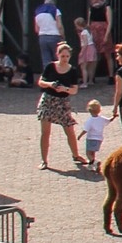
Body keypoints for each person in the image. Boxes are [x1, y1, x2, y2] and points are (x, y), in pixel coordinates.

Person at [37, 41, 87, 169]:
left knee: (69, 130)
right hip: (48, 100)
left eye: (67, 56)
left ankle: (76, 155)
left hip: (62, 102)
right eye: (62, 56)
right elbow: (41, 82)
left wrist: (64, 89)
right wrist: (51, 84)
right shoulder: (50, 67)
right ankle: (44, 160)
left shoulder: (72, 70)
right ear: (57, 55)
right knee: (45, 132)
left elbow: (74, 90)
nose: (64, 59)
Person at [85, 0, 114, 83]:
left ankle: (111, 76)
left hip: (103, 31)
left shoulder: (106, 7)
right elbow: (89, 23)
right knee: (94, 55)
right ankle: (91, 77)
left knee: (107, 54)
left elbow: (109, 22)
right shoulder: (91, 8)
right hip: (94, 32)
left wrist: (106, 35)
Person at [33, 0, 65, 68]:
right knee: (58, 58)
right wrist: (63, 36)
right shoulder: (56, 10)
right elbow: (59, 26)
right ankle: (59, 76)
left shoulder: (37, 12)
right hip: (55, 37)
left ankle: (48, 77)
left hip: (42, 37)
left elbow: (36, 29)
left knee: (46, 60)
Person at [81, 99, 109, 171]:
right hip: (99, 139)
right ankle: (92, 166)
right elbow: (108, 120)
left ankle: (95, 162)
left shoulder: (90, 120)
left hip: (91, 138)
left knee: (88, 153)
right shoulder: (101, 118)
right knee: (92, 152)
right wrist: (114, 117)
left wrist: (80, 136)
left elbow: (85, 130)